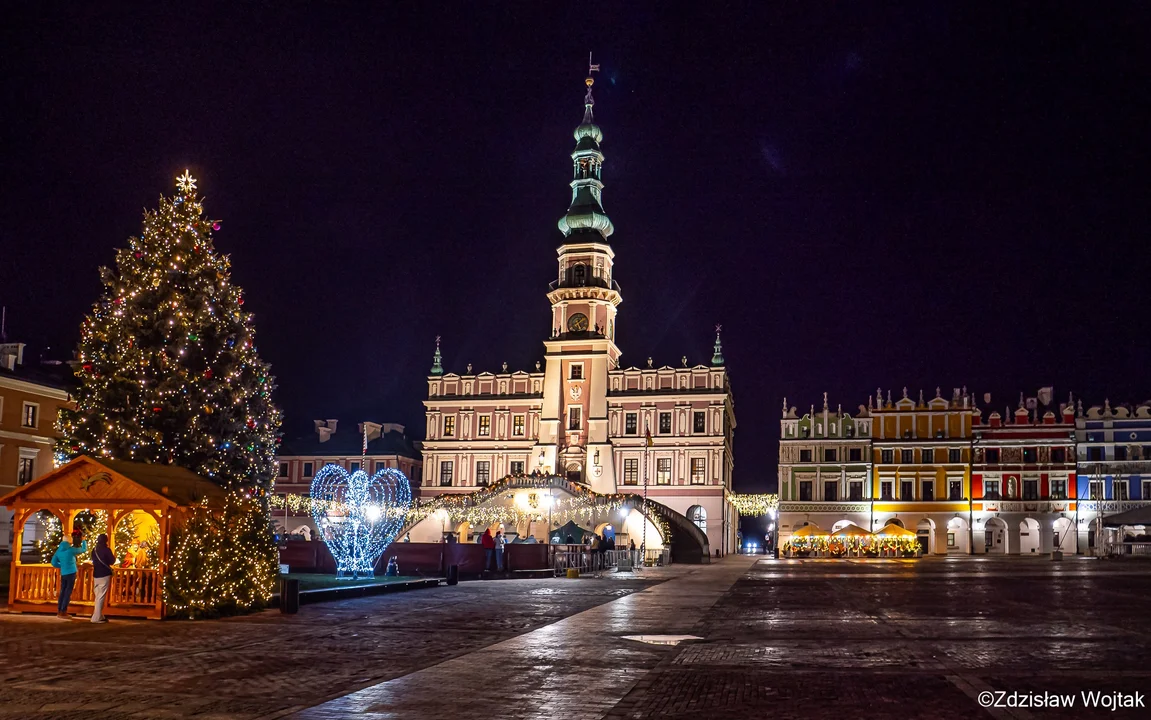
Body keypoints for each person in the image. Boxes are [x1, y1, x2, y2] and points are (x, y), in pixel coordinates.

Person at [51, 529, 88, 619]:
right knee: (68, 592)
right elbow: (84, 549)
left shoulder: (58, 551)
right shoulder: (71, 550)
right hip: (71, 572)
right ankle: (64, 611)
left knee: (63, 591)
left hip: (64, 573)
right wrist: (83, 540)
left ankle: (59, 610)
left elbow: (53, 562)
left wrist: (62, 566)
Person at [90, 533, 115, 623]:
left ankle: (99, 615)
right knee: (101, 596)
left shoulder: (94, 550)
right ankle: (96, 618)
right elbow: (112, 561)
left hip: (96, 574)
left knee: (98, 596)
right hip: (104, 573)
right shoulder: (106, 550)